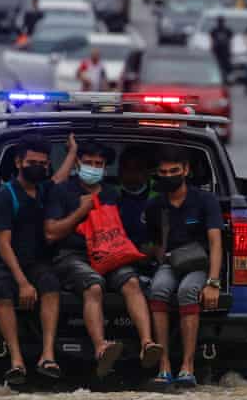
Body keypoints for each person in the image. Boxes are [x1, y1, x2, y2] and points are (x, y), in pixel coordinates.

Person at [44, 140, 162, 377]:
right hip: (73, 256)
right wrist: (80, 212)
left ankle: (148, 344)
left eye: (99, 164)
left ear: (106, 166)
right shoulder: (62, 191)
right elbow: (50, 234)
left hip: (109, 253)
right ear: (78, 163)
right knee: (94, 285)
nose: (93, 167)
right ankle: (101, 347)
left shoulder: (111, 194)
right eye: (88, 163)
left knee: (131, 282)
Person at [0, 136, 62, 385]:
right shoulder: (4, 197)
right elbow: (3, 244)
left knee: (50, 285)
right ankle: (16, 360)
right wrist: (23, 283)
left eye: (42, 163)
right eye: (31, 162)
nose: (37, 166)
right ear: (18, 162)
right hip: (4, 262)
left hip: (34, 261)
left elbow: (61, 177)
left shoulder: (44, 190)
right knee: (3, 293)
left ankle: (47, 356)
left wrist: (72, 151)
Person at [145, 146, 224, 387]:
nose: (169, 176)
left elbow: (216, 242)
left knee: (187, 291)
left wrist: (212, 283)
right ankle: (164, 364)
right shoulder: (155, 205)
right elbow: (155, 243)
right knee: (158, 289)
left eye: (174, 171)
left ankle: (187, 366)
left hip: (199, 265)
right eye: (163, 172)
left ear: (186, 170)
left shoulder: (205, 200)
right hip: (170, 263)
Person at [116, 145, 156, 249]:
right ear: (120, 171)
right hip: (118, 254)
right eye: (128, 169)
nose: (132, 174)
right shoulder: (110, 195)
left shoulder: (160, 195)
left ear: (147, 172)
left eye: (138, 169)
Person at [210, 16, 233, 81]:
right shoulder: (214, 30)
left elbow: (230, 40)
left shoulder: (227, 30)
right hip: (218, 51)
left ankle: (225, 78)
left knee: (225, 66)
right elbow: (212, 40)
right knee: (218, 66)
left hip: (224, 51)